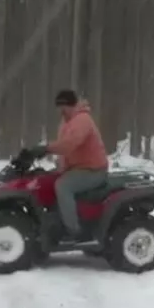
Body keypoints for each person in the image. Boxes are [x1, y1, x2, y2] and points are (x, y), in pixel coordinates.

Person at [26, 89, 109, 243]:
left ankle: (73, 230)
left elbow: (69, 144)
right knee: (45, 181)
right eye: (59, 108)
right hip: (76, 168)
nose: (60, 111)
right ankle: (52, 221)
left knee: (63, 186)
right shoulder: (67, 122)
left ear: (70, 105)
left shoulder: (82, 120)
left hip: (93, 170)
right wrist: (57, 167)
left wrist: (46, 148)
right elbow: (64, 150)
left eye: (62, 108)